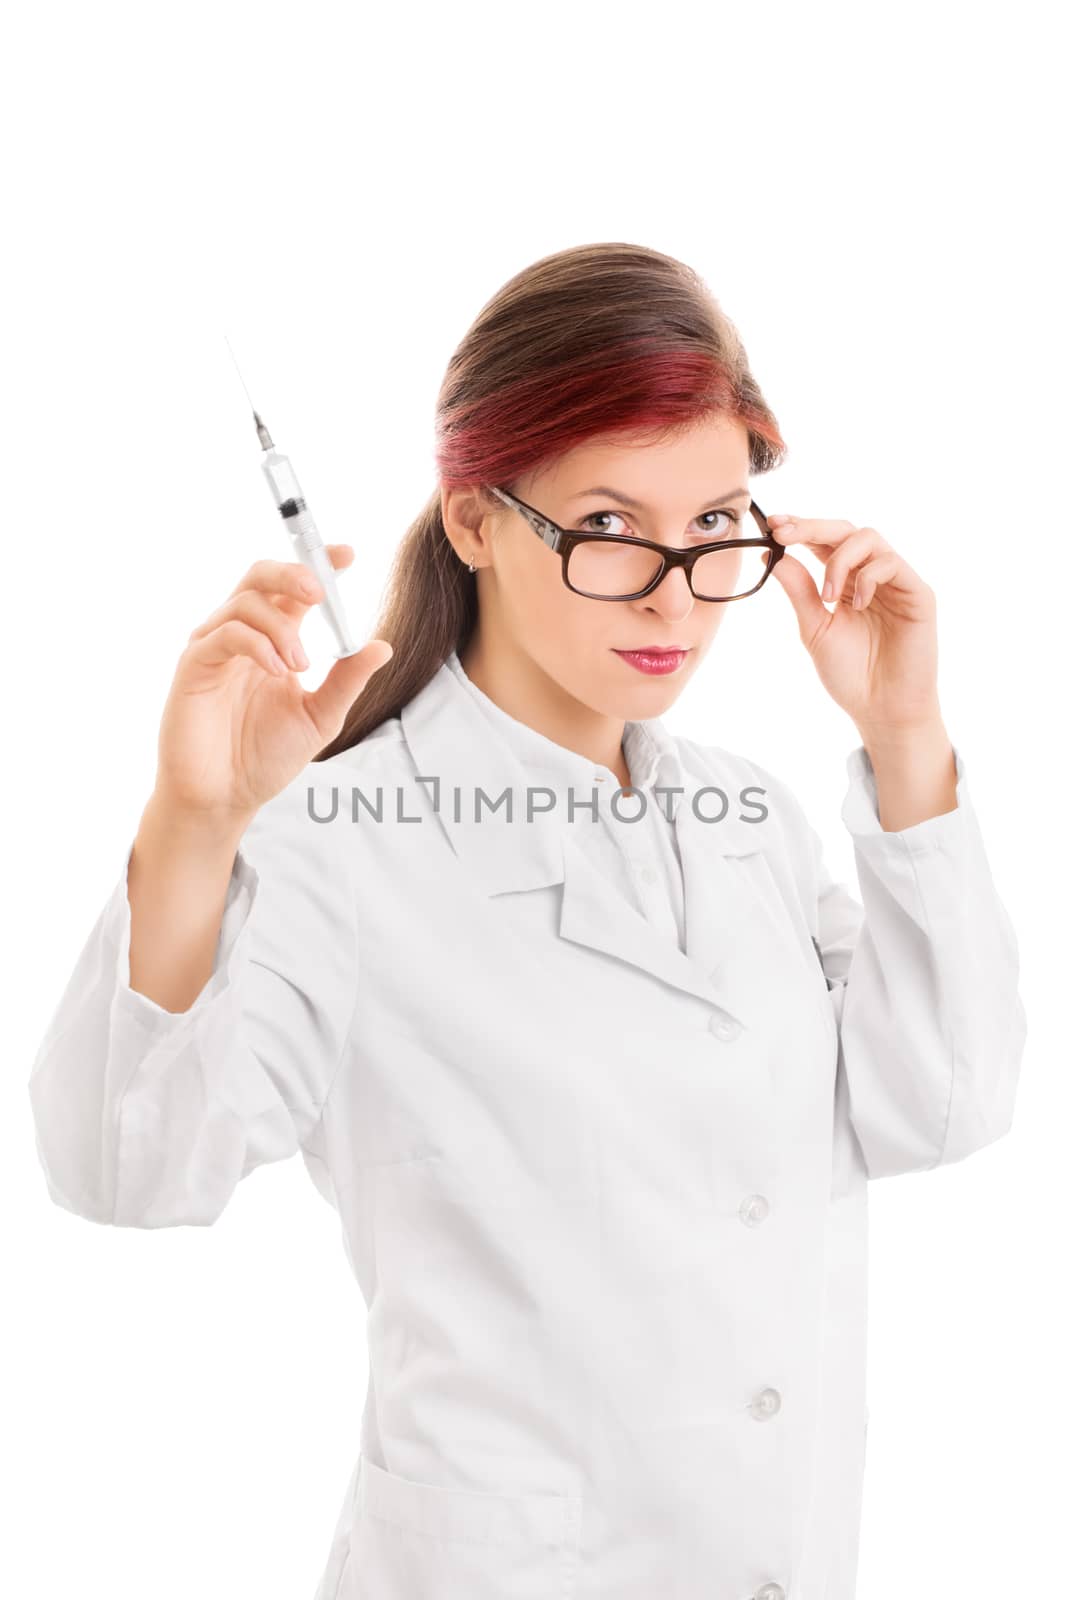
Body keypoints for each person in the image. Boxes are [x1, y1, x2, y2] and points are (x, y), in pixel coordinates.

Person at [27, 241, 1026, 1600]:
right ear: (475, 519)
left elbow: (945, 1105)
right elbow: (126, 1171)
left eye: (718, 525)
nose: (675, 592)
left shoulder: (754, 825)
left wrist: (903, 733)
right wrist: (193, 826)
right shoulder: (339, 836)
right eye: (609, 527)